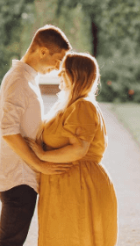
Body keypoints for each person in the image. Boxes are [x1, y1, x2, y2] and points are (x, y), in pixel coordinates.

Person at [27, 52, 118, 246]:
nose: (59, 76)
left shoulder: (83, 106)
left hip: (80, 185)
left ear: (76, 76)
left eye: (63, 72)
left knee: (76, 238)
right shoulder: (67, 105)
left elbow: (78, 150)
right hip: (64, 185)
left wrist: (42, 155)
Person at [0, 25, 73, 246]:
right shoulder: (19, 79)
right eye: (58, 60)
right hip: (18, 178)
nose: (59, 68)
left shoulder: (27, 79)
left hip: (22, 177)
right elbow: (8, 131)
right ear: (42, 51)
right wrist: (39, 164)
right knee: (9, 242)